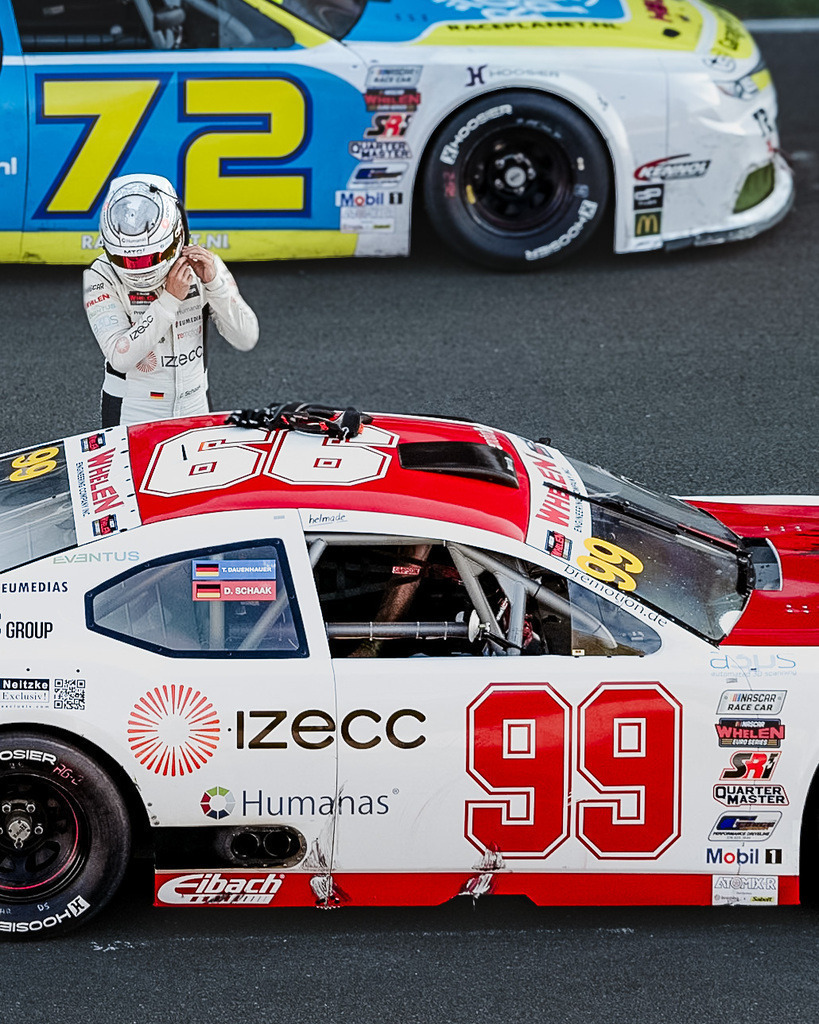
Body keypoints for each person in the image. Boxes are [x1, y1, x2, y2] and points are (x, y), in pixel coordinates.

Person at [83, 173, 259, 427]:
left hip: (195, 402)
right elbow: (120, 358)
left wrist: (215, 285)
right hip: (133, 408)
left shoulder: (203, 265)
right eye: (127, 261)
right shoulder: (100, 274)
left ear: (176, 237)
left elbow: (247, 337)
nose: (138, 268)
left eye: (150, 259)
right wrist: (169, 301)